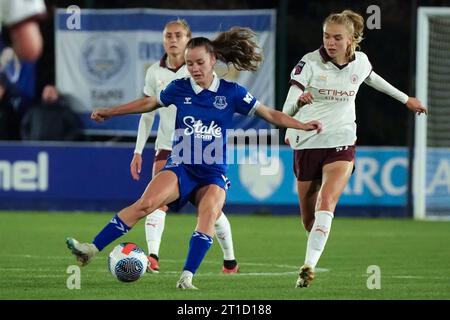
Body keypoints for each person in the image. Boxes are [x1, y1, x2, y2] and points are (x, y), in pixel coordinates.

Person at [66, 27, 322, 290]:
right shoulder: (178, 88)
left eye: (200, 62)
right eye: (190, 64)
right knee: (146, 203)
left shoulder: (231, 92)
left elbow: (269, 113)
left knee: (209, 215)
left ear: (213, 60)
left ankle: (186, 277)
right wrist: (111, 112)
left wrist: (300, 125)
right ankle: (90, 249)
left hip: (212, 173)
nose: (195, 68)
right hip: (181, 166)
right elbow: (149, 103)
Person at [282, 9, 427, 288]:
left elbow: (373, 79)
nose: (330, 42)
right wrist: (299, 105)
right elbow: (287, 107)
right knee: (308, 218)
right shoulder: (308, 63)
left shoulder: (360, 62)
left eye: (337, 37)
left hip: (342, 141)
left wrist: (405, 98)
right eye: (326, 36)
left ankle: (308, 266)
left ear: (351, 40)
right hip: (308, 143)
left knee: (328, 201)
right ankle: (313, 252)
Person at [131, 19, 240, 274]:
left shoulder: (196, 70)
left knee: (210, 211)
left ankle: (230, 259)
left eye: (178, 35)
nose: (172, 40)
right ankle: (153, 257)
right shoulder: (154, 72)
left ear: (187, 39)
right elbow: (147, 113)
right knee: (156, 202)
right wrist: (138, 150)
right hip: (167, 147)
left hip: (200, 149)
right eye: (168, 35)